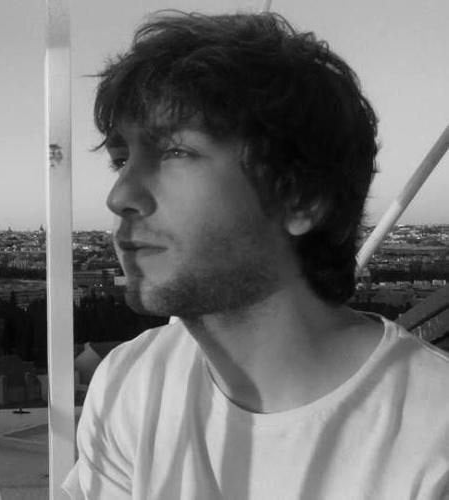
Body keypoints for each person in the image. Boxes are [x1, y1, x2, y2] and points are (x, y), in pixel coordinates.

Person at [63, 10, 449, 499]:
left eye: (175, 152)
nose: (120, 194)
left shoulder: (432, 443)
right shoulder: (132, 384)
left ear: (301, 198)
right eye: (122, 160)